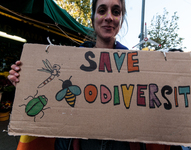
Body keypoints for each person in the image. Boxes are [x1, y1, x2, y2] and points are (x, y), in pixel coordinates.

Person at [8, 0, 172, 149]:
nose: (108, 17)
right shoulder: (69, 63)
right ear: (93, 19)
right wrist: (25, 82)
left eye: (116, 11)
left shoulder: (136, 68)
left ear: (121, 21)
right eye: (102, 10)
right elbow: (50, 99)